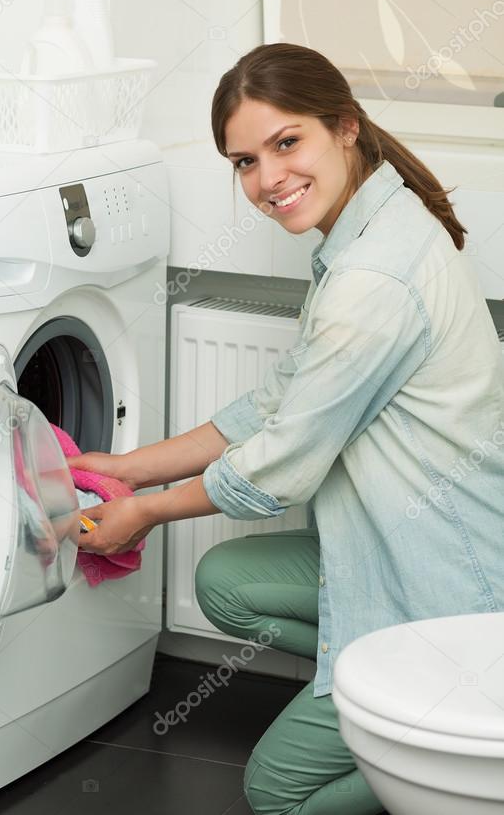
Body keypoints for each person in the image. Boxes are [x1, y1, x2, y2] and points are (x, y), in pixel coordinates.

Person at [67, 42, 504, 814]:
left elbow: (280, 464)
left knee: (276, 793)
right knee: (223, 587)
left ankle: (439, 729)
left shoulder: (371, 279)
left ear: (342, 126)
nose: (267, 179)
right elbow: (273, 402)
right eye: (244, 161)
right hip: (399, 543)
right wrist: (130, 467)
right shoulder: (375, 222)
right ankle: (389, 694)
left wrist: (144, 512)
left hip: (449, 586)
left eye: (285, 142)